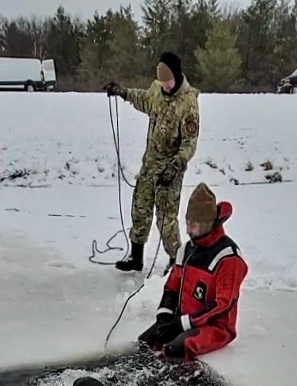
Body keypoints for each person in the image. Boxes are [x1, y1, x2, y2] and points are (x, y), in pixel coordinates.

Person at [104, 52, 200, 276]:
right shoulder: (157, 90)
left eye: (168, 82)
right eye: (162, 82)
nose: (165, 86)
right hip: (150, 164)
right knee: (140, 209)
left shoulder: (188, 103)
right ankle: (135, 257)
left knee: (166, 220)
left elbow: (189, 143)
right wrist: (122, 92)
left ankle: (176, 261)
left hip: (171, 169)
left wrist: (175, 167)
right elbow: (144, 99)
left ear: (176, 76)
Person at [138, 182, 248, 361]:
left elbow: (223, 305)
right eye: (187, 223)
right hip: (183, 319)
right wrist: (164, 317)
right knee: (146, 342)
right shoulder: (186, 249)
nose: (188, 230)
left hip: (215, 327)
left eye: (194, 225)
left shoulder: (228, 258)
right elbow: (172, 286)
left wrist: (183, 323)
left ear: (206, 225)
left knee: (177, 350)